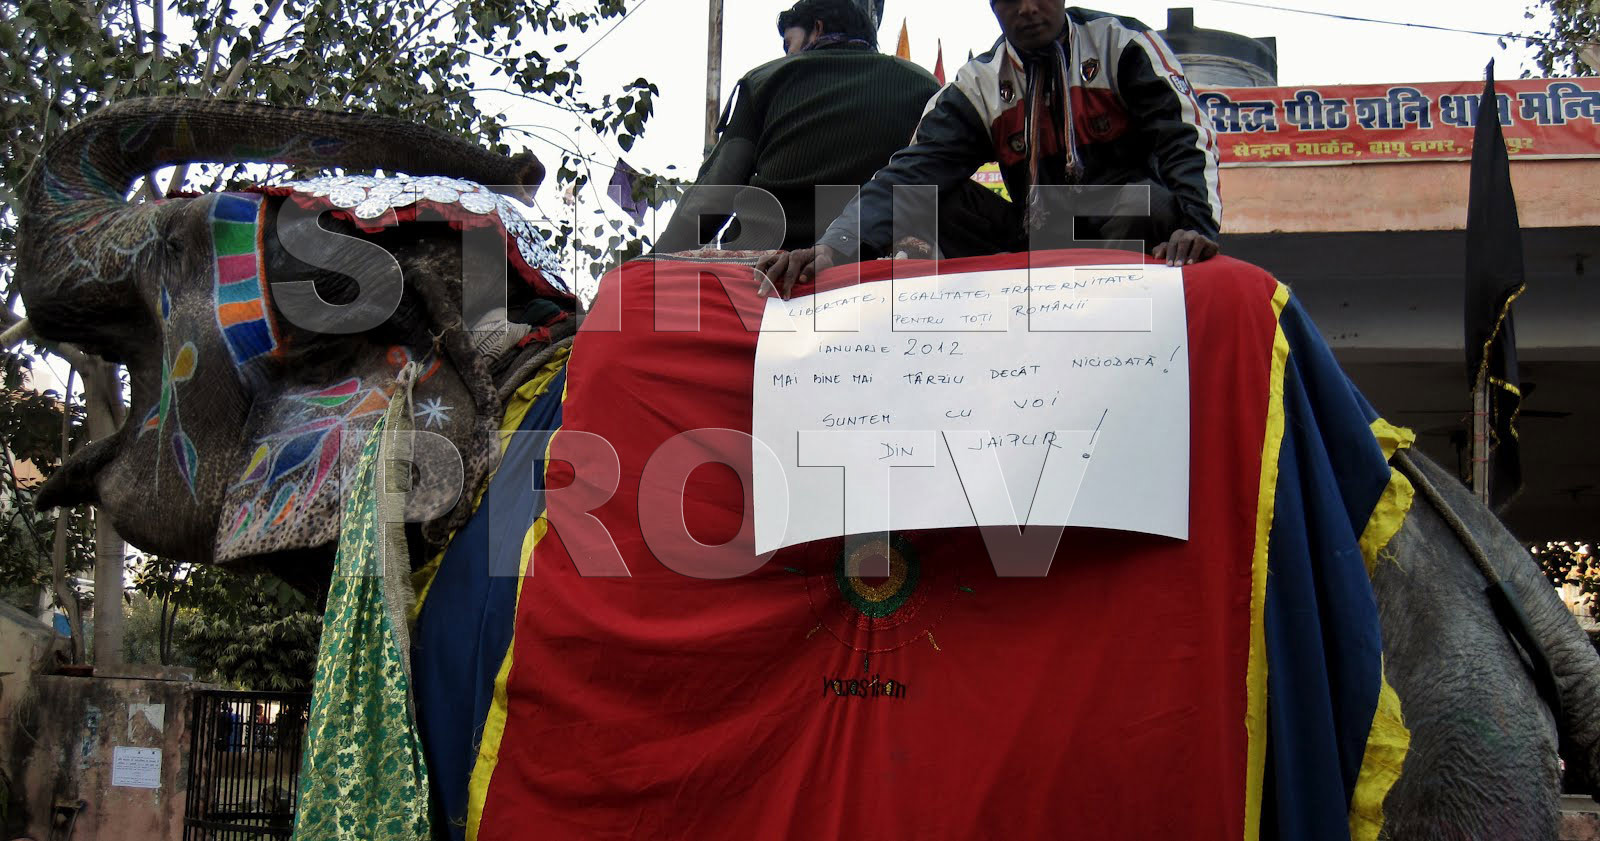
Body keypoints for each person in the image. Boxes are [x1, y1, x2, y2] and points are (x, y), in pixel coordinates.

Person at [758, 0, 1224, 291]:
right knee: (933, 201)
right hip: (1035, 235)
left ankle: (1098, 316)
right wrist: (834, 247)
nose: (1028, 9)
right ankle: (976, 311)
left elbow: (1183, 134)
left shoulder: (1121, 44)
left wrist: (1196, 225)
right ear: (993, 6)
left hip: (1128, 227)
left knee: (1145, 201)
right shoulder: (978, 84)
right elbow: (909, 174)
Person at [655, 0, 1004, 255]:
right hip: (876, 276)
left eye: (789, 43)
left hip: (759, 273)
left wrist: (651, 265)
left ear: (817, 29)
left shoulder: (765, 80)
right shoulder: (922, 84)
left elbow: (711, 197)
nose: (787, 54)